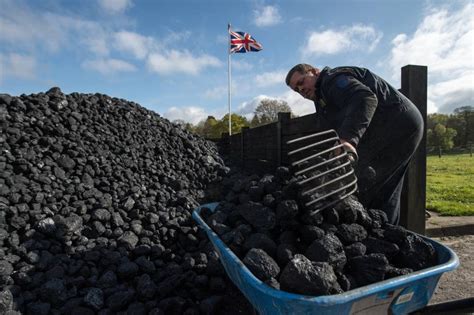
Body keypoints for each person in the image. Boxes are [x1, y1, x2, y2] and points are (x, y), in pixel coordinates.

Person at [285, 64, 424, 225]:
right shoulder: (323, 99)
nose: (301, 90)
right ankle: (390, 235)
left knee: (372, 188)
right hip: (393, 129)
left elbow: (365, 97)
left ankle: (382, 236)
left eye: (302, 82)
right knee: (385, 188)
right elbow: (332, 129)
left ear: (315, 72)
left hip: (396, 124)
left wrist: (348, 140)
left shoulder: (332, 79)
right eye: (296, 89)